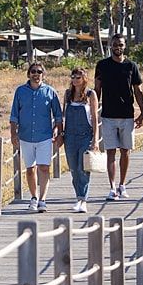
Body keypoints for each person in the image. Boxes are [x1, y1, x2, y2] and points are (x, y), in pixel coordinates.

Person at [94, 34, 143, 200]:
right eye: (115, 44)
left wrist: (142, 112)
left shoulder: (131, 66)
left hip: (127, 115)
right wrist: (93, 111)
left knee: (125, 151)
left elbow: (137, 90)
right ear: (111, 46)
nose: (118, 47)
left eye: (121, 45)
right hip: (108, 115)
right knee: (110, 151)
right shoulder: (102, 65)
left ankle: (122, 185)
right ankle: (112, 187)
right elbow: (97, 89)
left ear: (125, 46)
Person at [9, 62, 63, 213]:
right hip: (26, 136)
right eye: (33, 71)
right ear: (29, 74)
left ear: (43, 75)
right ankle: (33, 197)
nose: (36, 74)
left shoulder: (50, 92)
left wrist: (59, 132)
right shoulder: (20, 91)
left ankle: (42, 200)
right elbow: (14, 115)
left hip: (44, 136)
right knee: (30, 169)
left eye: (39, 72)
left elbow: (58, 116)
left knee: (44, 168)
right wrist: (13, 134)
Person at [59, 67, 99, 213]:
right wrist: (60, 134)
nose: (75, 80)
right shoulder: (68, 94)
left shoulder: (90, 94)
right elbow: (63, 116)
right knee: (74, 169)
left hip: (85, 136)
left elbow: (95, 118)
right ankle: (78, 197)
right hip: (69, 137)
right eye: (73, 77)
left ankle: (83, 199)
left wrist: (95, 139)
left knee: (83, 169)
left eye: (78, 77)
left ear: (84, 79)